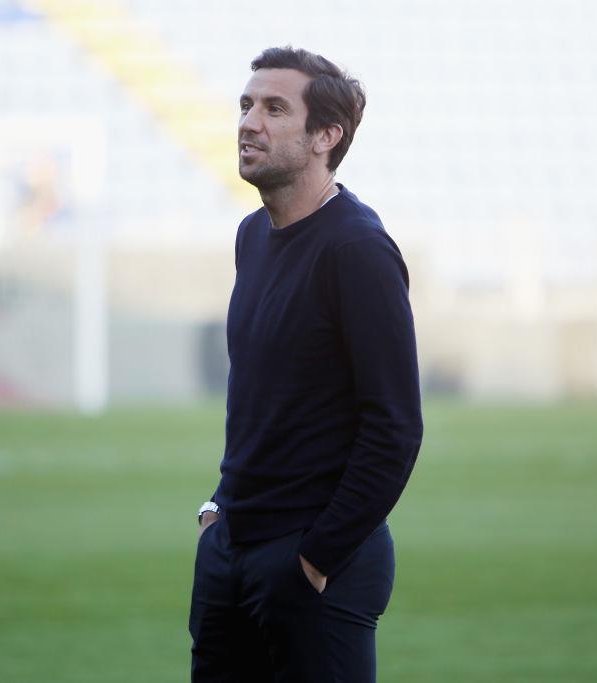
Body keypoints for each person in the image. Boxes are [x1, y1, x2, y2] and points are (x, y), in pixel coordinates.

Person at [189, 46, 423, 683]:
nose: (248, 123)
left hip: (313, 561)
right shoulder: (251, 236)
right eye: (245, 105)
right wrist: (219, 511)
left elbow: (395, 426)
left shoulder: (358, 249)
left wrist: (318, 557)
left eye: (274, 109)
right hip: (232, 547)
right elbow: (261, 398)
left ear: (326, 136)